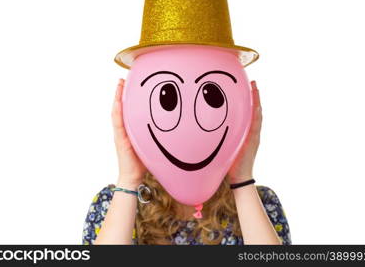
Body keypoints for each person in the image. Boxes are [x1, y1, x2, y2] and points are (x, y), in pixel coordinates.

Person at [82, 79, 291, 245]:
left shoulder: (262, 202)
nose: (189, 128)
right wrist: (128, 181)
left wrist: (242, 179)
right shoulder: (111, 203)